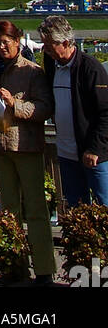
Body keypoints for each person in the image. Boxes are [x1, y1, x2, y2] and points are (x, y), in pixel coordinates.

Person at [0, 19, 54, 284]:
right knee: (9, 212)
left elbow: (43, 108)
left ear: (17, 42)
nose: (0, 47)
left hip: (26, 146)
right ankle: (13, 267)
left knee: (35, 210)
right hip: (0, 145)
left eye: (5, 43)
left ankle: (43, 270)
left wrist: (15, 105)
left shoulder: (32, 71)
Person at [39, 14, 108, 206]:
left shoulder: (91, 69)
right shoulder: (51, 64)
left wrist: (95, 148)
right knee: (76, 208)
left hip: (94, 155)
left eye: (50, 44)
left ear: (66, 42)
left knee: (104, 204)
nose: (46, 49)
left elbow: (106, 112)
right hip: (66, 153)